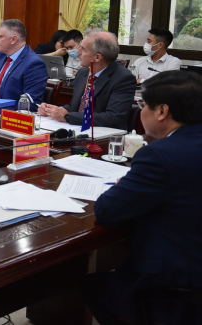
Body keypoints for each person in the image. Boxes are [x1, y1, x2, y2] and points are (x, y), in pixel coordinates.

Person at [82, 70, 202, 325]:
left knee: (87, 283)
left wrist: (126, 183)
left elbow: (108, 211)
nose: (140, 112)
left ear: (161, 111)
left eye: (142, 105)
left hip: (177, 280)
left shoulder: (160, 155)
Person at [38, 29, 137, 130]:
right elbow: (75, 107)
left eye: (83, 49)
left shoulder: (123, 79)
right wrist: (56, 110)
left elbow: (113, 118)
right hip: (77, 130)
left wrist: (67, 116)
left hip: (104, 137)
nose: (78, 52)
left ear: (97, 57)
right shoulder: (83, 72)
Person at [0, 19, 48, 109]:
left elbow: (30, 104)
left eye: (0, 37)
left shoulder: (34, 64)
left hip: (9, 116)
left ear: (14, 39)